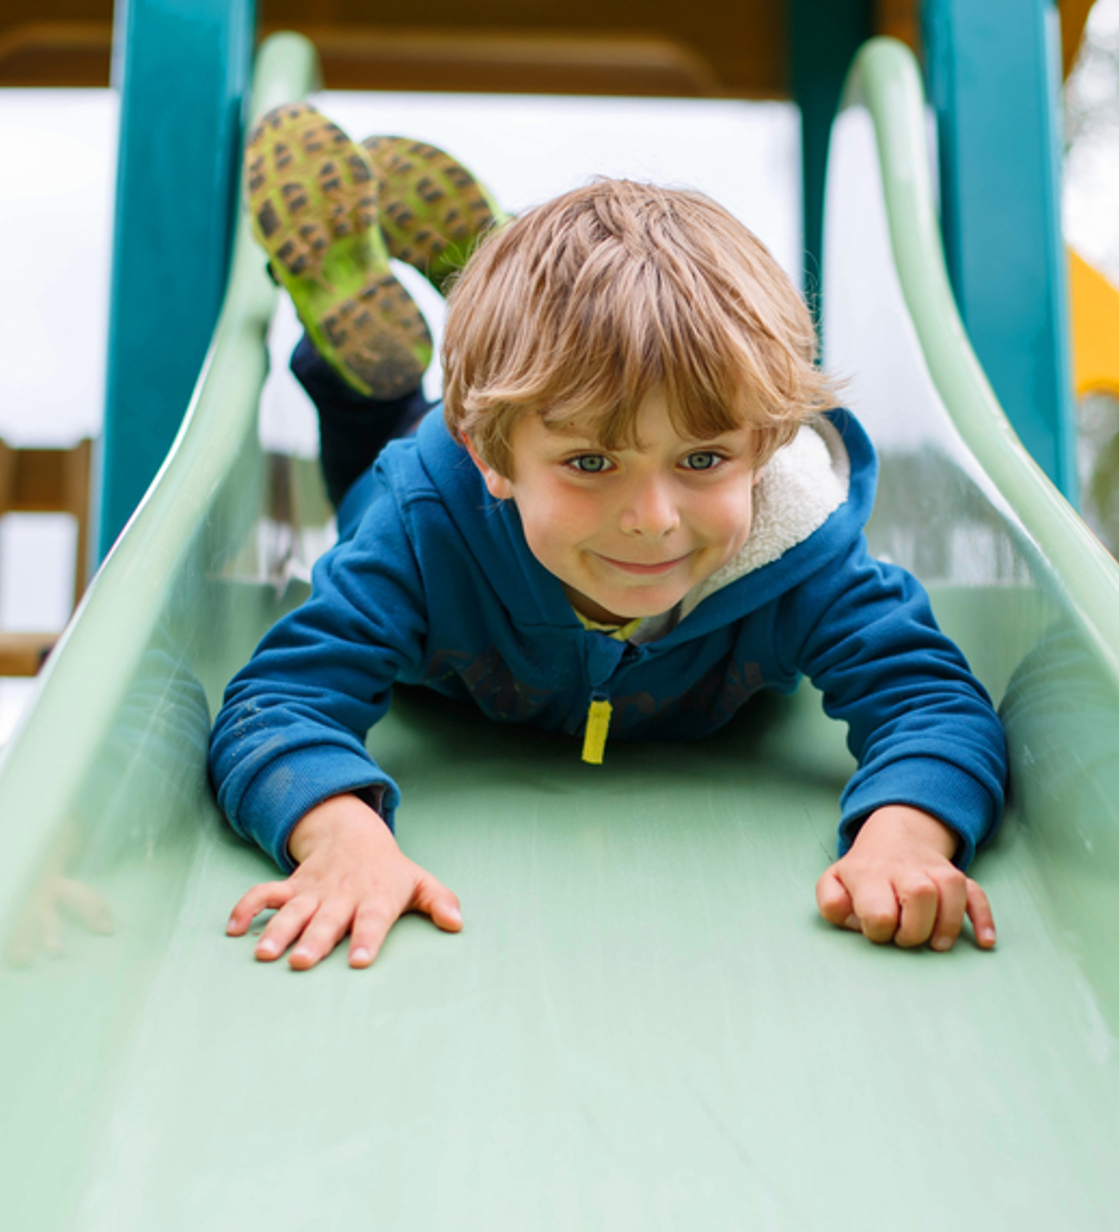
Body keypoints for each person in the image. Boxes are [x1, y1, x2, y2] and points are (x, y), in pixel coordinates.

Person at [209, 102, 1008, 972]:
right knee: (380, 454)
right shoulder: (417, 532)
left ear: (767, 444)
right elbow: (276, 702)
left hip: (517, 430)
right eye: (594, 464)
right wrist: (338, 834)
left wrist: (906, 833)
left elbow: (930, 699)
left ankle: (514, 306)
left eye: (703, 458)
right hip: (434, 482)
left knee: (577, 385)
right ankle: (373, 365)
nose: (654, 517)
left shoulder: (798, 551)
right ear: (494, 456)